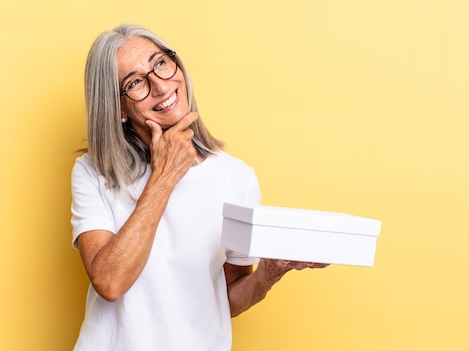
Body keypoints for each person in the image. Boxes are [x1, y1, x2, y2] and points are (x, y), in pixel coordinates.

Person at [70, 23, 328, 351]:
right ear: (117, 106)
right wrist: (164, 177)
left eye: (160, 63)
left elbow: (224, 298)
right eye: (135, 82)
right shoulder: (93, 173)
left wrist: (269, 273)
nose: (161, 87)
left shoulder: (237, 178)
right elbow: (110, 281)